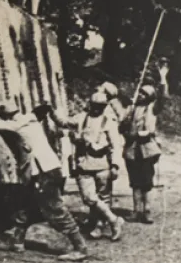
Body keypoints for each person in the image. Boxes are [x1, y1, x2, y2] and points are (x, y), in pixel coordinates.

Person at [0, 95, 89, 261]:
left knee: (55, 209)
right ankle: (18, 240)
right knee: (26, 204)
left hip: (42, 173)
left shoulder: (15, 126)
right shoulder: (31, 119)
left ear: (6, 117)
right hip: (51, 168)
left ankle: (80, 247)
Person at [48, 92, 124, 241]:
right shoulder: (82, 117)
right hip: (84, 164)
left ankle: (99, 225)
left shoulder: (109, 121)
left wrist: (115, 164)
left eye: (100, 106)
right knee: (89, 197)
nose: (96, 109)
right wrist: (52, 112)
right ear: (90, 104)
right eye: (94, 106)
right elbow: (64, 122)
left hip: (103, 164)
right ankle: (113, 220)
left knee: (104, 197)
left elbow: (116, 144)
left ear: (105, 106)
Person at [120, 68, 169, 224]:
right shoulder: (131, 109)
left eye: (144, 94)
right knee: (135, 182)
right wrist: (125, 125)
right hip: (132, 149)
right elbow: (122, 128)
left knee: (146, 182)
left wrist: (162, 78)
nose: (140, 95)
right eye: (140, 93)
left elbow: (163, 97)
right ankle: (136, 211)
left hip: (147, 149)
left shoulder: (153, 109)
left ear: (150, 97)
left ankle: (146, 211)